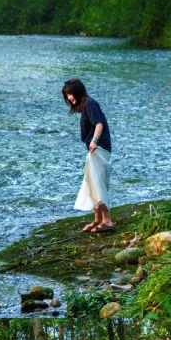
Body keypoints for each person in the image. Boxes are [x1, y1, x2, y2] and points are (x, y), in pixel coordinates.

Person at [62, 78, 114, 233]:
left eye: (70, 94)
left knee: (98, 183)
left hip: (99, 147)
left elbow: (99, 124)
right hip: (95, 148)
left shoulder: (90, 104)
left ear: (77, 91)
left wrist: (94, 140)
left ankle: (107, 221)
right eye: (67, 95)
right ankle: (97, 219)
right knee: (91, 182)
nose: (69, 98)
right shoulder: (86, 106)